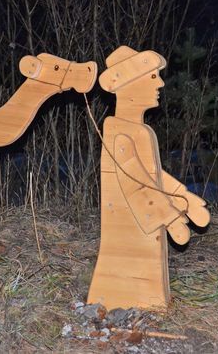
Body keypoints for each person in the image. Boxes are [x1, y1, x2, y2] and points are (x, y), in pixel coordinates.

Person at [87, 46, 210, 309]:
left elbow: (151, 176)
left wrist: (183, 196)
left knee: (147, 268)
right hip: (128, 231)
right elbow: (135, 185)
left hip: (142, 233)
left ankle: (145, 300)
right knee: (130, 264)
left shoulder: (139, 131)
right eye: (153, 77)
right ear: (131, 84)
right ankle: (118, 298)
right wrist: (171, 217)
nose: (161, 83)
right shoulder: (118, 134)